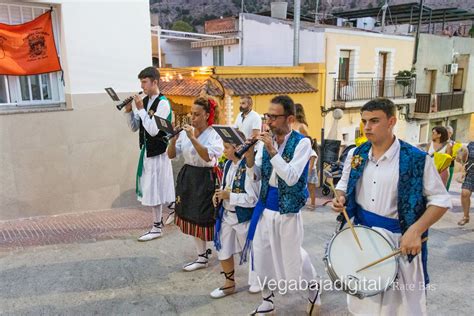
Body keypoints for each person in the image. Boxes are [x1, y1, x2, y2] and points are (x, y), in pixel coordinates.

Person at [332, 98, 452, 315]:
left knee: (400, 307)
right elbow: (343, 185)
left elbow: (441, 201)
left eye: (374, 121)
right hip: (362, 239)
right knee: (363, 304)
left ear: (391, 121)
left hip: (398, 243)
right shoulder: (356, 154)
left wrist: (415, 230)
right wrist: (339, 198)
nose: (367, 127)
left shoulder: (417, 159)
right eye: (364, 121)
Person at [243, 95, 321, 315]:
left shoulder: (302, 143)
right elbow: (257, 176)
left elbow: (291, 177)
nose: (269, 121)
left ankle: (314, 290)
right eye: (267, 116)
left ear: (290, 118)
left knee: (293, 256)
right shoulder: (266, 142)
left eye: (274, 117)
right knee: (262, 254)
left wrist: (271, 150)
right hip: (265, 207)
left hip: (287, 210)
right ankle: (267, 301)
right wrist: (249, 156)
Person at [167, 97, 224, 271]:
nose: (193, 117)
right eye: (192, 114)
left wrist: (192, 138)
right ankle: (201, 256)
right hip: (189, 175)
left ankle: (224, 253)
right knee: (191, 214)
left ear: (207, 115)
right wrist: (173, 140)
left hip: (206, 176)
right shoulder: (186, 133)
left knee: (207, 216)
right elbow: (170, 155)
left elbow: (208, 156)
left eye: (197, 114)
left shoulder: (215, 134)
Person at [124, 67, 175, 241]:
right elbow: (134, 127)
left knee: (156, 188)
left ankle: (157, 227)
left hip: (159, 151)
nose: (142, 86)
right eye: (141, 82)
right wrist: (130, 111)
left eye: (145, 82)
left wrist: (140, 109)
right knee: (155, 187)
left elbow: (153, 130)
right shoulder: (144, 102)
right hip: (147, 151)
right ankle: (168, 213)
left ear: (155, 82)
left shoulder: (163, 103)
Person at [210, 135, 260, 298]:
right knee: (223, 249)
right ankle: (229, 283)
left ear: (237, 148)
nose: (223, 151)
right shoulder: (228, 164)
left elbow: (252, 199)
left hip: (242, 217)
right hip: (226, 214)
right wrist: (218, 196)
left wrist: (229, 196)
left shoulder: (249, 167)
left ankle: (259, 280)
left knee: (254, 251)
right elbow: (225, 187)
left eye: (226, 147)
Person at [457, 141, 474, 226]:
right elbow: (464, 159)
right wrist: (461, 154)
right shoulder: (471, 144)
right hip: (470, 173)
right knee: (464, 193)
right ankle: (466, 217)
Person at [307, 139, 318, 209]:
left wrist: (307, 175)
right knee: (309, 189)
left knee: (312, 189)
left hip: (311, 172)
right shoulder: (308, 152)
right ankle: (311, 203)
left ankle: (313, 204)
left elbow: (311, 166)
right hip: (309, 172)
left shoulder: (312, 153)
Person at [445, 126, 456, 190]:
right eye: (447, 132)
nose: (448, 134)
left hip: (450, 164)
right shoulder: (439, 142)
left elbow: (455, 155)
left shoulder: (453, 143)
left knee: (448, 180)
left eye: (450, 133)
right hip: (440, 164)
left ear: (452, 134)